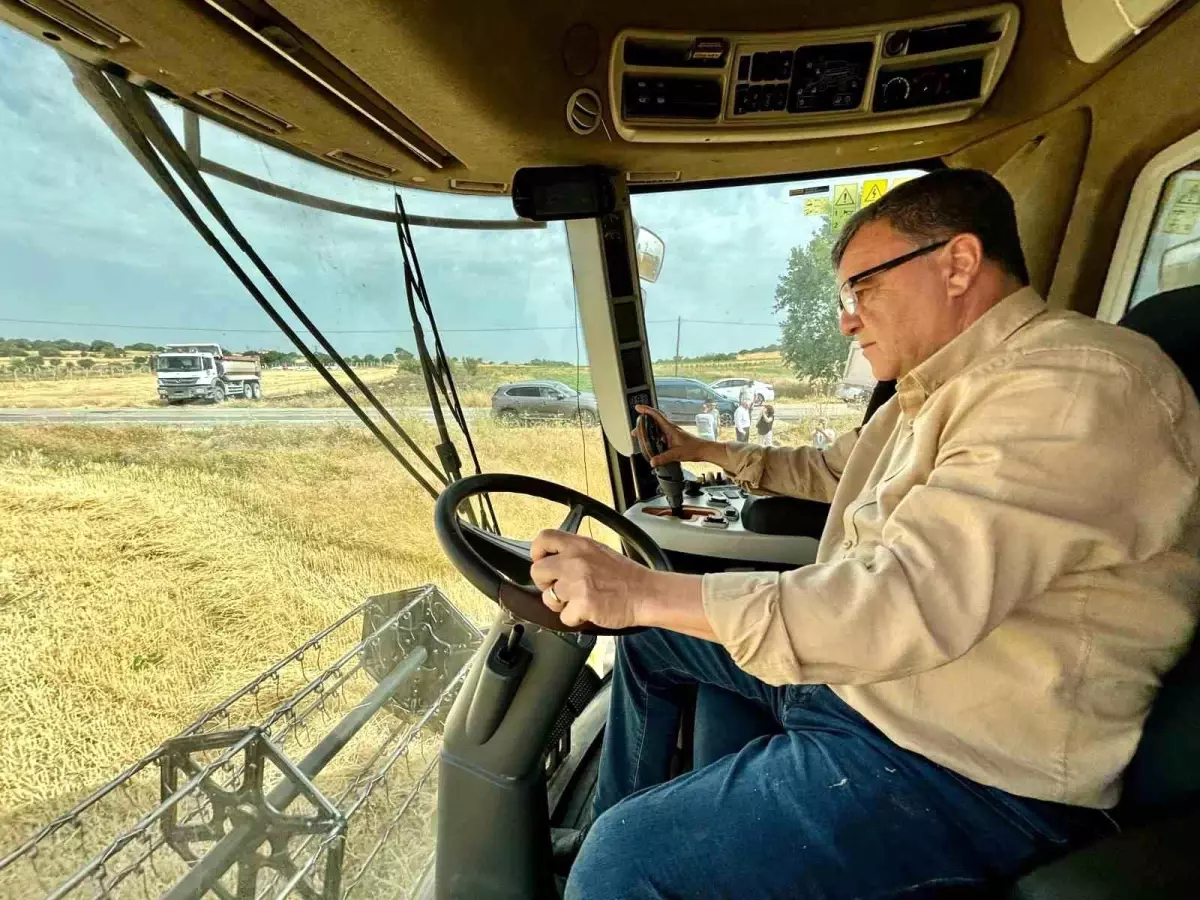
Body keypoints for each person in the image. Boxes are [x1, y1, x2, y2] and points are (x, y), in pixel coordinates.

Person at [530, 169, 1200, 900]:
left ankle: (618, 864)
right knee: (653, 647)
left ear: (958, 263)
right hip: (871, 686)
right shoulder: (938, 391)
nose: (847, 319)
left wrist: (643, 590)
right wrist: (706, 452)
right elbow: (830, 470)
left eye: (864, 288)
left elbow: (901, 602)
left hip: (967, 767)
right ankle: (619, 823)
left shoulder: (1075, 387)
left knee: (628, 858)